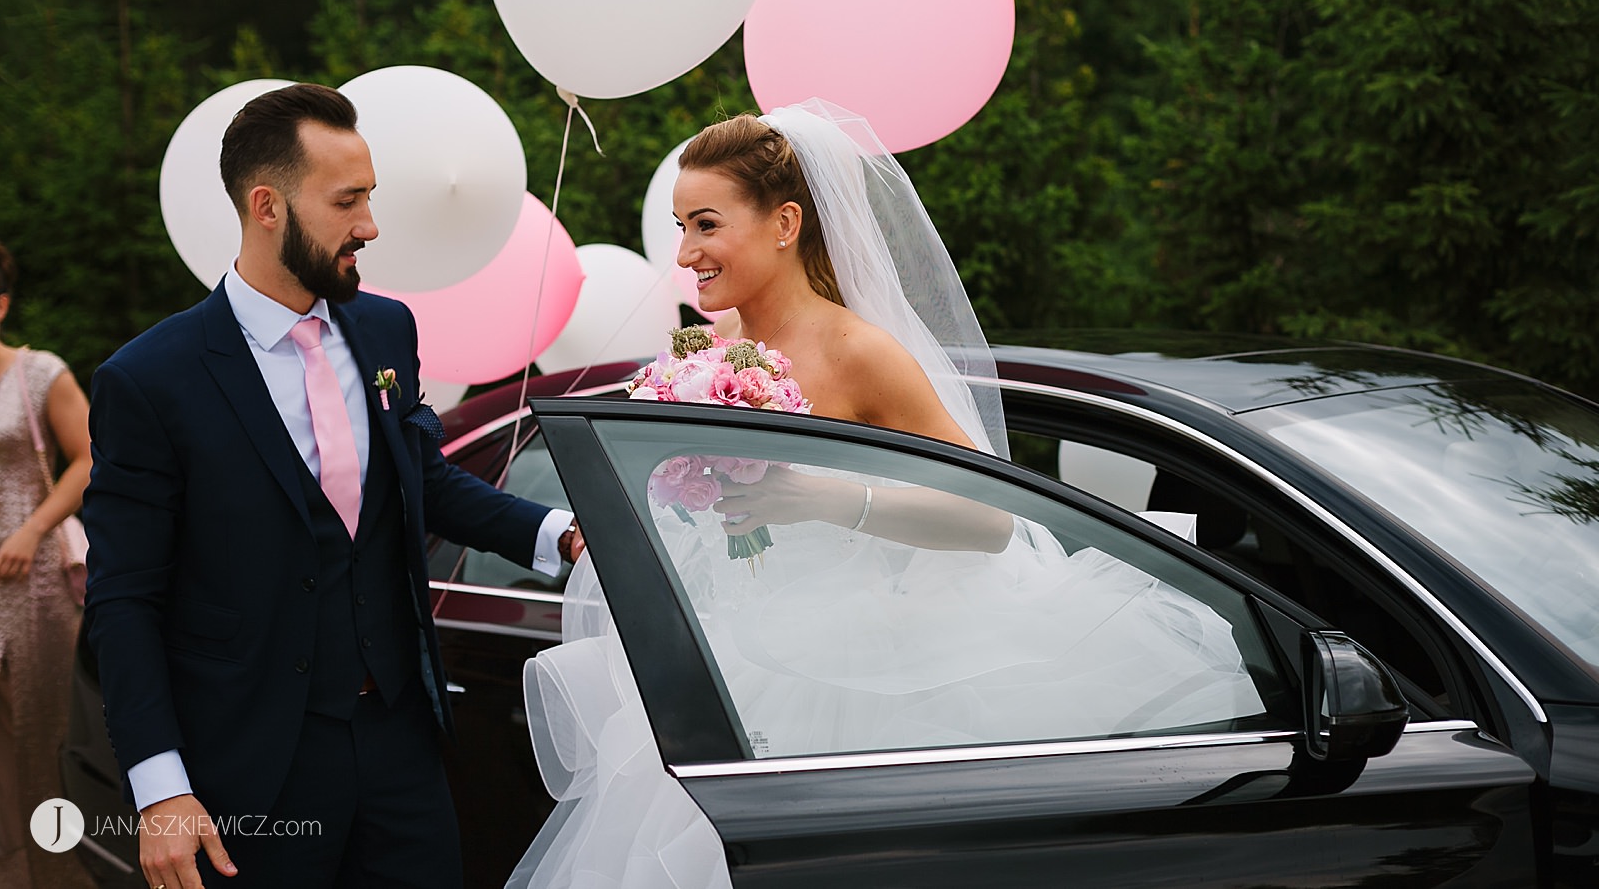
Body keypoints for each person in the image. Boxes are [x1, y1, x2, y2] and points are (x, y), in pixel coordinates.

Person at [508, 101, 1263, 887]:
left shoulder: (860, 352)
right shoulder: (708, 358)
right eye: (680, 227)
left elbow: (989, 518)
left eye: (704, 224)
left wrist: (826, 501)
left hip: (864, 675)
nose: (686, 251)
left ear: (785, 222)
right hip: (732, 665)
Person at [82, 83, 582, 889]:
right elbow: (123, 597)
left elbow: (424, 481)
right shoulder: (149, 381)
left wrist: (559, 532)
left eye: (371, 198)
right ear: (267, 205)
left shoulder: (387, 329)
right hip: (249, 767)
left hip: (400, 743)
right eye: (347, 201)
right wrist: (160, 786)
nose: (370, 226)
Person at [0, 243, 96, 889]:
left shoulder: (38, 373)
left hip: (26, 580)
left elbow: (92, 457)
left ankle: (56, 873)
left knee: (40, 735)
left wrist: (33, 528)